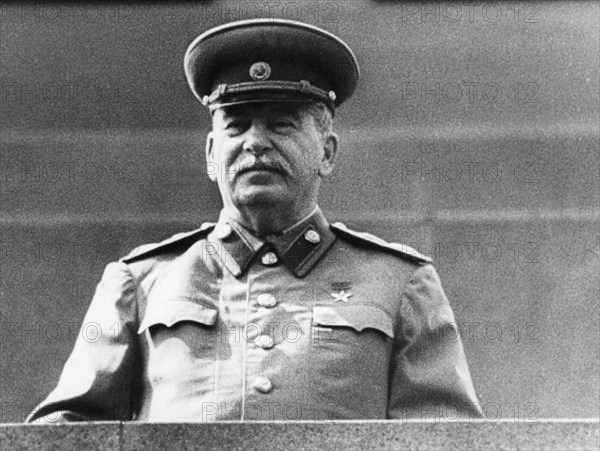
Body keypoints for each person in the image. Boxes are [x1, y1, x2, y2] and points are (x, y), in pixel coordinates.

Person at [27, 18, 482, 422]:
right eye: (236, 124)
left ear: (326, 152)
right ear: (210, 154)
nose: (255, 142)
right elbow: (65, 432)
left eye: (281, 123)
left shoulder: (402, 283)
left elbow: (447, 438)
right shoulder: (138, 283)